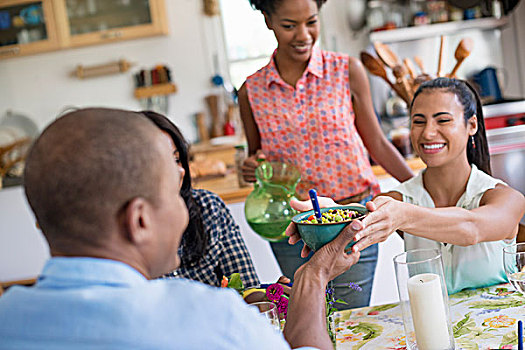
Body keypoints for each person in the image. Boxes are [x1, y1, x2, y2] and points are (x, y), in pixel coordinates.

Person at [0, 107, 362, 349]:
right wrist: (314, 276)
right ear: (139, 220)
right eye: (171, 196)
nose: (186, 207)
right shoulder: (212, 320)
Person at [238, 0, 413, 308]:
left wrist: (420, 192)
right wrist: (250, 167)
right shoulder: (251, 90)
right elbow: (257, 161)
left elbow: (377, 143)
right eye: (289, 26)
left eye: (311, 22)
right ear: (268, 20)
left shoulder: (346, 70)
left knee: (350, 320)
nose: (303, 35)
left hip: (352, 220)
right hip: (293, 230)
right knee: (310, 319)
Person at [290, 78, 525, 294]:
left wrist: (402, 217)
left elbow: (471, 229)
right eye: (418, 122)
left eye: (443, 120)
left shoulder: (506, 199)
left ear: (471, 125)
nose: (428, 133)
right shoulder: (399, 199)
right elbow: (359, 219)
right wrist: (330, 216)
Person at [141, 111, 259, 289]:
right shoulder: (118, 233)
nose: (178, 171)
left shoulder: (208, 208)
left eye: (177, 159)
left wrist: (272, 295)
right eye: (160, 161)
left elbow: (247, 290)